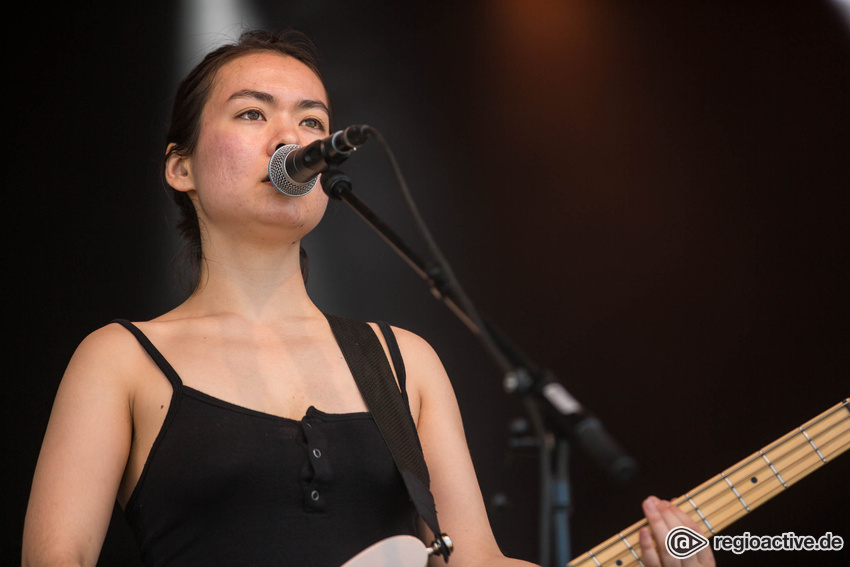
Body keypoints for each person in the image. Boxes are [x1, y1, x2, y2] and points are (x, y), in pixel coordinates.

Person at [21, 29, 715, 567]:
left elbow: (472, 557)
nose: (291, 138)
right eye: (253, 113)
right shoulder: (119, 359)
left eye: (312, 122)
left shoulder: (401, 360)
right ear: (181, 167)